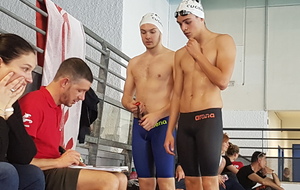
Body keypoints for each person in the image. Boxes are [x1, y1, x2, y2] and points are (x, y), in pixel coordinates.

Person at [19, 57, 127, 190]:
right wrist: (59, 161)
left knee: (121, 178)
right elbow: (20, 159)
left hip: (54, 167)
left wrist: (67, 158)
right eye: (80, 91)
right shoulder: (33, 103)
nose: (82, 98)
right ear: (65, 82)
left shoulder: (57, 107)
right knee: (108, 181)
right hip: (39, 172)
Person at [164, 0, 236, 189]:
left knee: (209, 180)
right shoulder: (180, 54)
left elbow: (222, 81)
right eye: (180, 24)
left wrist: (198, 55)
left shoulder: (223, 41)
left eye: (188, 22)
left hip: (208, 117)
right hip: (185, 121)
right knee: (191, 180)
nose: (184, 28)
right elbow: (176, 95)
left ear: (201, 17)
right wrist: (170, 131)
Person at [121, 13, 175, 190]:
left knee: (166, 180)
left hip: (163, 124)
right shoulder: (134, 62)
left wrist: (157, 115)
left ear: (160, 32)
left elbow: (179, 98)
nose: (147, 36)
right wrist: (131, 105)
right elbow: (126, 98)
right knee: (144, 181)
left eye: (152, 31)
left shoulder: (173, 58)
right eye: (143, 32)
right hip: (140, 125)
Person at [0, 33, 45, 189]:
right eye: (25, 69)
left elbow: (25, 155)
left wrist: (8, 111)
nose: (30, 79)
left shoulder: (10, 100)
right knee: (6, 171)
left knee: (32, 174)